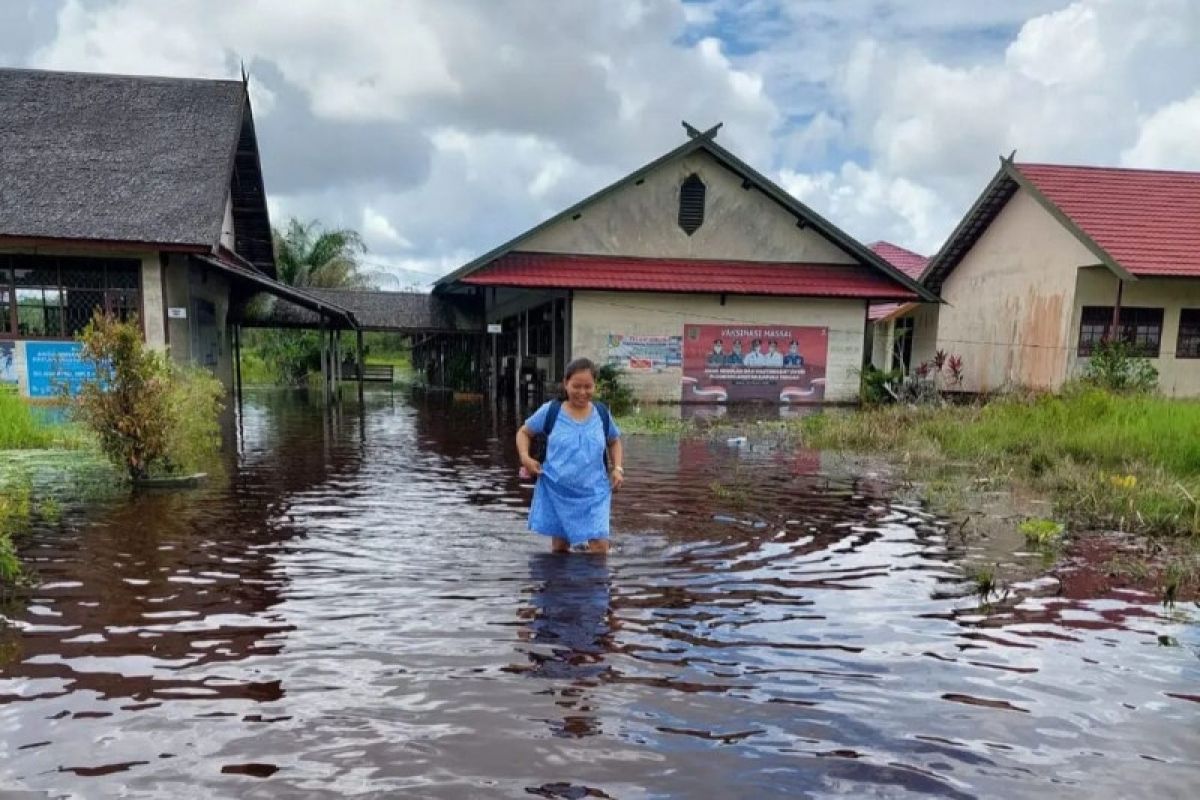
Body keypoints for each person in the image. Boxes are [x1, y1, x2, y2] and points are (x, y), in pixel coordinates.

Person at [516, 357, 624, 554]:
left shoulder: (601, 413)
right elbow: (524, 432)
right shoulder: (551, 411)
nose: (582, 392)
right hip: (557, 490)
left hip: (594, 492)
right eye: (576, 386)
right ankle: (562, 585)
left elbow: (614, 440)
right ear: (565, 384)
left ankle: (597, 584)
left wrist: (617, 468)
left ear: (594, 386)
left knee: (599, 548)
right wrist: (525, 457)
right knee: (560, 549)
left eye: (588, 387)